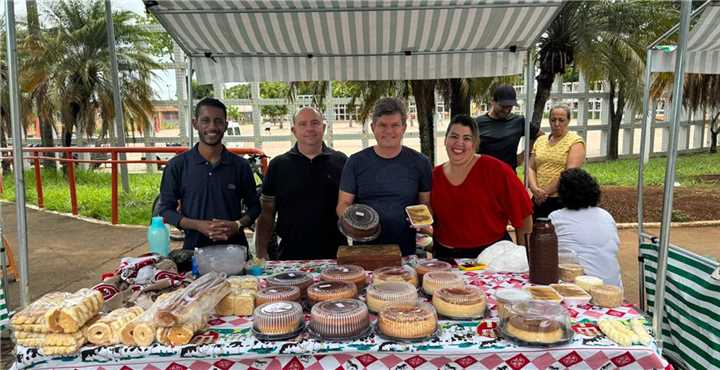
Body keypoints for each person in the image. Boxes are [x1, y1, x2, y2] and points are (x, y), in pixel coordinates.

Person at [158, 98, 260, 251]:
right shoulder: (177, 166)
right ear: (195, 124)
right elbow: (165, 210)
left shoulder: (240, 166)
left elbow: (255, 207)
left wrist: (237, 224)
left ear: (225, 125)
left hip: (236, 254)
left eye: (218, 121)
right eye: (205, 120)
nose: (212, 127)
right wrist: (197, 225)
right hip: (193, 255)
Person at [337, 97, 432, 256]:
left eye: (395, 125)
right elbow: (343, 205)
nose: (389, 131)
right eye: (382, 125)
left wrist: (422, 221)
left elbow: (426, 204)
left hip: (405, 252)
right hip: (364, 252)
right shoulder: (355, 162)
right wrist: (357, 222)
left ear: (404, 128)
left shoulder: (421, 163)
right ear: (373, 127)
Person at [431, 115, 533, 259]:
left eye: (466, 138)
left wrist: (526, 256)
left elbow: (524, 215)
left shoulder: (496, 170)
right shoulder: (434, 176)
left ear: (475, 143)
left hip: (492, 257)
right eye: (454, 136)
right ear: (445, 140)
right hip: (446, 258)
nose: (459, 143)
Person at [255, 107, 348, 260]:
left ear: (323, 127)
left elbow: (351, 209)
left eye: (315, 123)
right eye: (303, 124)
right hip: (290, 255)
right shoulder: (278, 165)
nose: (309, 128)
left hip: (335, 255)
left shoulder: (342, 162)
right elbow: (267, 214)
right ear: (294, 130)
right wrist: (261, 252)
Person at [549, 168, 622, 287]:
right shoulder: (606, 215)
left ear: (562, 193)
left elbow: (545, 257)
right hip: (614, 286)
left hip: (579, 288)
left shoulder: (556, 218)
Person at [527, 104, 586, 218]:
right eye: (553, 120)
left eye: (561, 120)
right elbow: (531, 167)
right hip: (538, 198)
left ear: (568, 121)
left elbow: (569, 173)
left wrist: (544, 193)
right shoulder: (540, 140)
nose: (557, 123)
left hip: (561, 200)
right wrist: (534, 189)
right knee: (536, 233)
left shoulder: (576, 142)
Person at [475, 84, 542, 171]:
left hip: (508, 175)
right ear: (493, 102)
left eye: (510, 107)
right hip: (484, 175)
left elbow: (540, 136)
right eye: (503, 106)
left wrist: (524, 154)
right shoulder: (477, 123)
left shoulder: (519, 121)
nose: (506, 110)